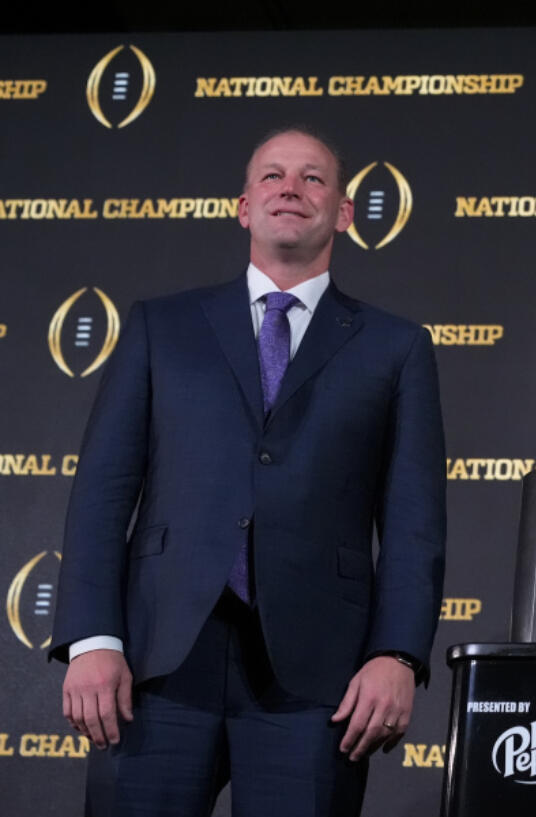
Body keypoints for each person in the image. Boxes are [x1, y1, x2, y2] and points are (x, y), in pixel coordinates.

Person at [50, 126, 446, 817]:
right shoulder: (160, 326)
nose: (290, 188)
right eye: (272, 175)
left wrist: (399, 655)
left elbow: (413, 524)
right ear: (243, 206)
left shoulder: (397, 347)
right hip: (154, 665)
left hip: (320, 679)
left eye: (313, 177)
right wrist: (93, 637)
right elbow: (101, 496)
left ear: (345, 212)